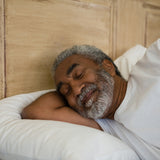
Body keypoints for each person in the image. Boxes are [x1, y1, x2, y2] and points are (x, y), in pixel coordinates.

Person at [22, 39, 160, 159]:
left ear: (108, 66)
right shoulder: (108, 126)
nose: (76, 90)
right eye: (66, 91)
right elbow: (35, 111)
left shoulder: (152, 67)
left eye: (79, 74)